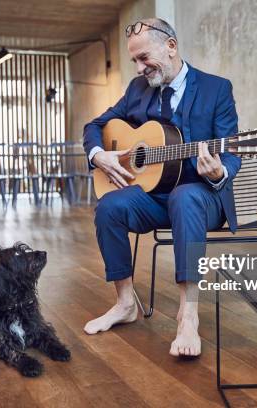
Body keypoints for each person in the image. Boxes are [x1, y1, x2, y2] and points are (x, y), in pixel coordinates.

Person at [82, 18, 241, 357]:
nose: (139, 68)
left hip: (203, 196)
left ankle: (188, 315)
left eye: (144, 58)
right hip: (155, 196)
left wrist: (218, 173)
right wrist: (100, 156)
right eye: (134, 61)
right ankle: (125, 304)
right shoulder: (138, 90)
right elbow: (94, 126)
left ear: (171, 47)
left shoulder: (216, 89)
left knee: (186, 197)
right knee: (109, 206)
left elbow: (232, 154)